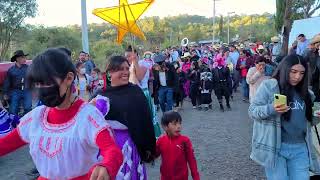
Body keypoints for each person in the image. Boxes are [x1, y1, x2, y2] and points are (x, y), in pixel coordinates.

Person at [0, 48, 123, 179]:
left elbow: (111, 149)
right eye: (37, 83)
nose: (41, 89)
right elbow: (5, 144)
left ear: (69, 78)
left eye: (47, 83)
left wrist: (106, 165)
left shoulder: (88, 116)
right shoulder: (35, 117)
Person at [248, 54, 320, 180]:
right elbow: (253, 111)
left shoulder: (307, 94)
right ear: (285, 69)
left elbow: (307, 122)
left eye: (302, 73)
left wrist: (317, 116)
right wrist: (271, 108)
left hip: (300, 148)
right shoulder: (270, 86)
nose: (297, 76)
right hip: (276, 148)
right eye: (293, 71)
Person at [93, 56, 156, 179]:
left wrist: (149, 147)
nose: (125, 72)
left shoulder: (135, 92)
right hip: (105, 148)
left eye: (127, 68)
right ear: (110, 72)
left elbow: (145, 122)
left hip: (129, 147)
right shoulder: (100, 94)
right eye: (120, 69)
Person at [156, 111, 200, 180]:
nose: (179, 126)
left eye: (180, 123)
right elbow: (155, 154)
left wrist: (196, 177)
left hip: (182, 177)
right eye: (175, 124)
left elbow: (192, 160)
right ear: (165, 127)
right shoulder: (160, 140)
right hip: (165, 177)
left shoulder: (185, 140)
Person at [3, 50, 32, 116]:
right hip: (15, 91)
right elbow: (7, 82)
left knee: (28, 108)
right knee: (13, 110)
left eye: (25, 57)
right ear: (17, 59)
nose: (25, 59)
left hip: (26, 90)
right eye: (23, 57)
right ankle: (14, 123)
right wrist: (5, 93)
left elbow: (33, 78)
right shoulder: (11, 70)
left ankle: (25, 121)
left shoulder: (28, 68)